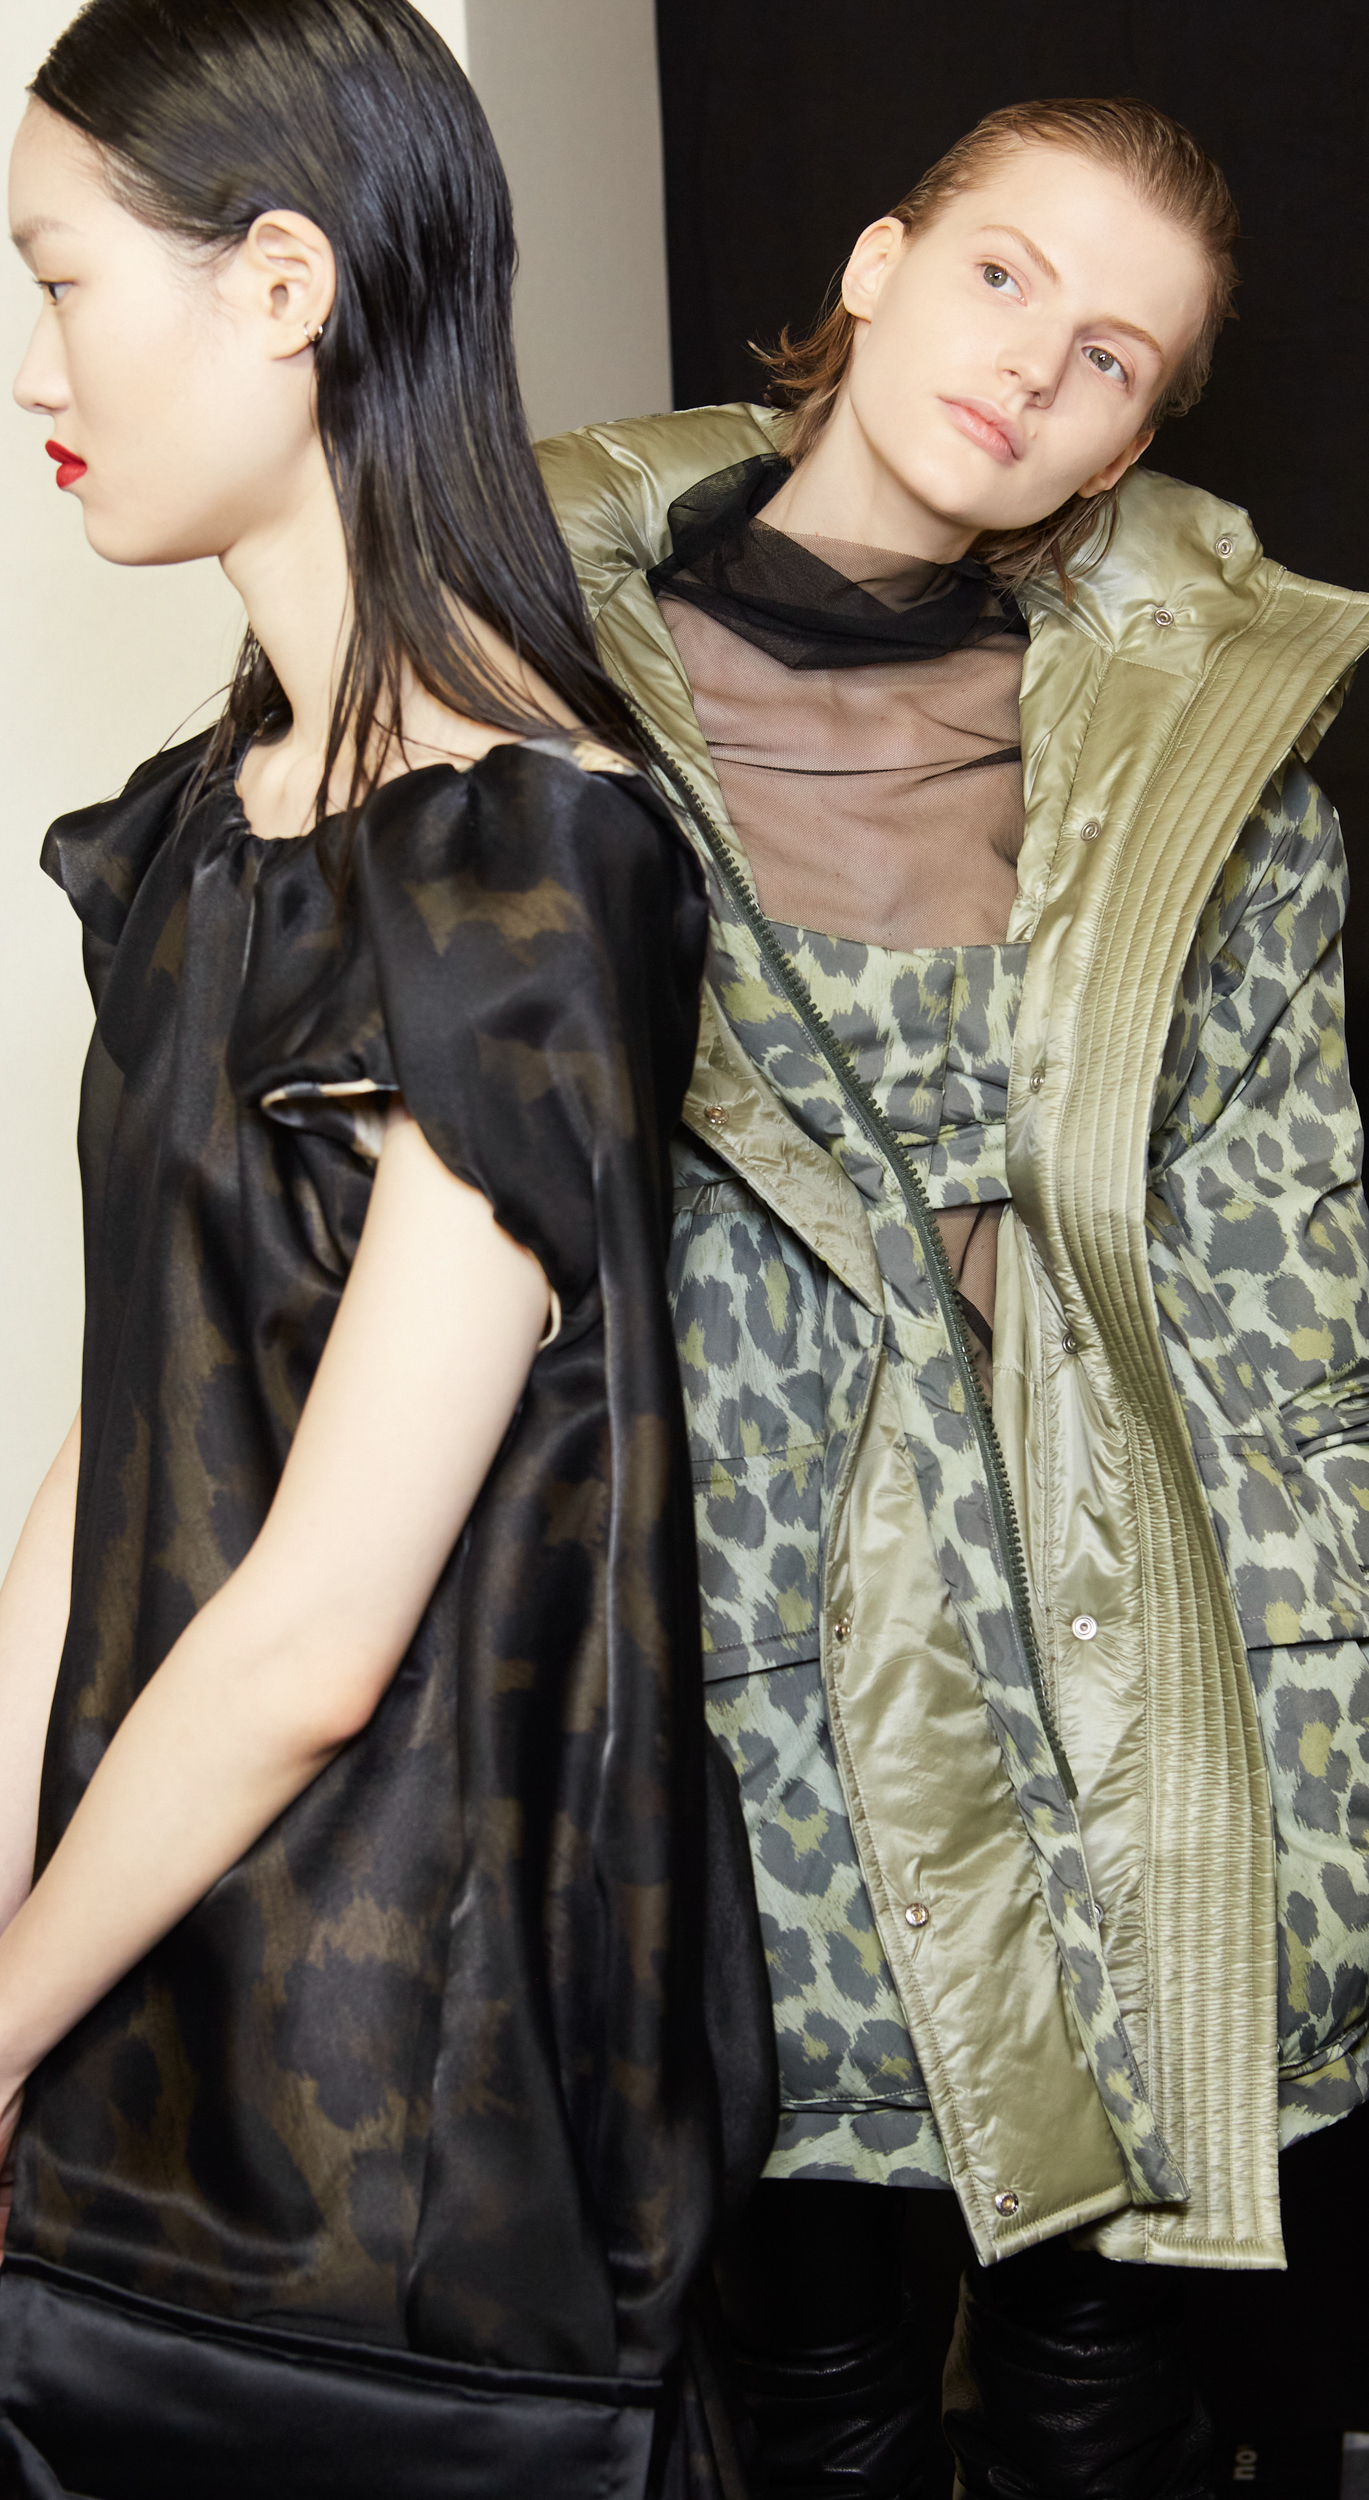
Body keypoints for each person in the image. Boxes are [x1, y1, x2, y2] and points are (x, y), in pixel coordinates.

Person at [536, 96, 1369, 2499]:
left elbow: (1293, 1276)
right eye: (1000, 276)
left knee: (1096, 2406)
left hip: (1128, 1670)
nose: (1035, 367)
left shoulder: (1216, 774)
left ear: (1132, 441)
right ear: (875, 263)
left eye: (1113, 357)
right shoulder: (520, 690)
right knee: (808, 2397)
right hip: (732, 1680)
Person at [0, 2, 770, 2491]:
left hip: (383, 2120)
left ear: (280, 284)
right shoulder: (193, 836)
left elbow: (330, 1627)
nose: (37, 366)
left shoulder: (534, 854)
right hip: (135, 1999)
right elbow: (119, 1453)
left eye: (60, 278)